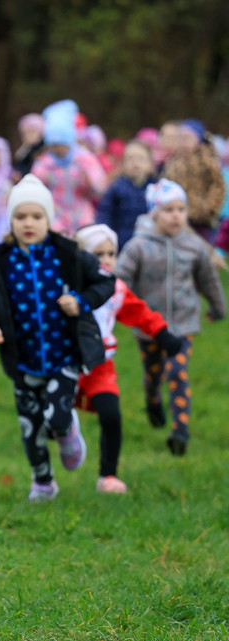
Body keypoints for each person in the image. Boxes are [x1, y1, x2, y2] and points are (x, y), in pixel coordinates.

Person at [0, 175, 115, 502]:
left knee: (56, 417)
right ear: (11, 221)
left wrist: (80, 301)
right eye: (20, 217)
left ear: (49, 219)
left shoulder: (68, 255)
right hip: (22, 362)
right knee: (30, 427)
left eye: (37, 216)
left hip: (64, 356)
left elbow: (105, 282)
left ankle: (67, 432)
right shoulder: (0, 264)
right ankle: (43, 483)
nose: (29, 223)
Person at [114, 179, 227, 456]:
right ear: (154, 213)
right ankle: (152, 398)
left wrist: (218, 307)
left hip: (183, 324)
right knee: (154, 375)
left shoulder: (194, 246)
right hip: (148, 327)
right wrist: (109, 308)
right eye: (168, 210)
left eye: (181, 209)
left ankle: (180, 432)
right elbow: (119, 281)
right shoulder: (138, 246)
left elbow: (209, 280)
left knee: (177, 372)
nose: (176, 215)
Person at [73, 224, 184, 493]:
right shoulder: (66, 288)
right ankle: (45, 475)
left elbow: (140, 313)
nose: (107, 260)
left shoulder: (116, 288)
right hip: (65, 364)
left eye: (112, 253)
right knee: (56, 419)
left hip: (100, 364)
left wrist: (162, 333)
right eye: (99, 254)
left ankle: (108, 476)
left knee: (112, 415)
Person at [31, 100, 108, 237]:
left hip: (83, 218)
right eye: (53, 145)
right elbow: (34, 189)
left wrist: (88, 178)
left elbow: (99, 188)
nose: (57, 149)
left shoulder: (84, 159)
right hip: (55, 220)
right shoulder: (43, 164)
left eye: (61, 144)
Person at [161, 119, 226, 243]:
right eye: (181, 138)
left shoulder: (208, 163)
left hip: (202, 220)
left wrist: (207, 209)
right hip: (176, 218)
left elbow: (218, 187)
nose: (184, 142)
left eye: (188, 138)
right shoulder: (173, 163)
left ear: (198, 140)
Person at [95, 139, 158, 250]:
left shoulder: (157, 189)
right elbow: (104, 214)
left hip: (151, 245)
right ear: (123, 164)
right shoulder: (116, 188)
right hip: (122, 244)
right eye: (130, 158)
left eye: (140, 158)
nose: (135, 162)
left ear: (150, 164)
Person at [12, 113, 45, 180]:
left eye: (32, 132)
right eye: (25, 133)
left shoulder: (43, 151)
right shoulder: (24, 151)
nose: (28, 135)